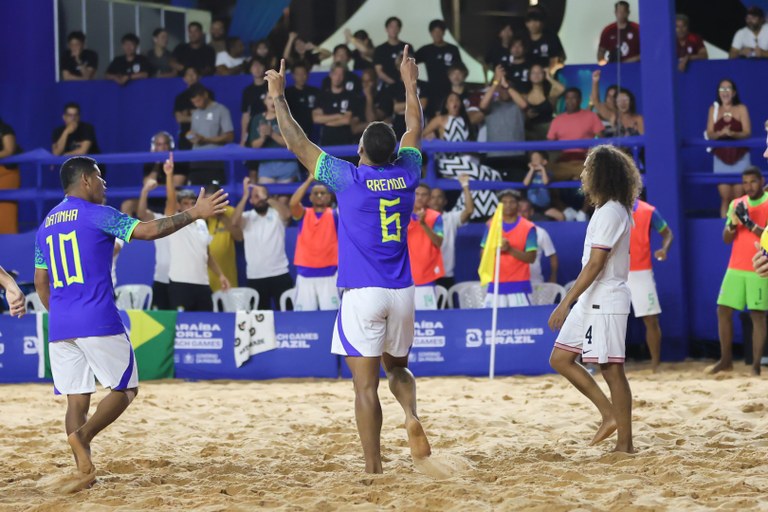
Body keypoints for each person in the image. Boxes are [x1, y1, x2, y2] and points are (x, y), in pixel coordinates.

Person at [266, 47, 436, 473]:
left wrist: (279, 97)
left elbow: (297, 142)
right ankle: (412, 416)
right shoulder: (409, 173)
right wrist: (410, 83)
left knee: (364, 388)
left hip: (363, 292)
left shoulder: (348, 177)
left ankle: (374, 468)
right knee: (398, 370)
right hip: (402, 290)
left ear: (361, 149)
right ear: (393, 152)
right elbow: (414, 126)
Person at [33, 155, 228, 490]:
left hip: (61, 324)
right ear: (86, 181)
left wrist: (60, 314)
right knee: (126, 389)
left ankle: (83, 468)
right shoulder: (98, 214)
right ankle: (84, 437)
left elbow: (40, 281)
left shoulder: (45, 224)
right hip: (97, 317)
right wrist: (194, 213)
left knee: (77, 399)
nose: (104, 184)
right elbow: (149, 230)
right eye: (100, 177)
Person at [547, 144, 642, 454]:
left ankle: (625, 445)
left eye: (588, 167)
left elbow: (596, 264)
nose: (583, 173)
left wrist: (566, 301)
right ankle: (608, 413)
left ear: (602, 173)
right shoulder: (607, 209)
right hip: (592, 297)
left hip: (606, 297)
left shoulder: (613, 210)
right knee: (560, 358)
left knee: (612, 370)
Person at [714, 167, 768, 376]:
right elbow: (726, 239)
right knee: (723, 310)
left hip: (759, 266)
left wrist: (749, 222)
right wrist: (734, 225)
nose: (749, 186)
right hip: (735, 267)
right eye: (745, 182)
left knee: (757, 316)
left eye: (753, 181)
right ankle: (725, 360)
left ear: (761, 180)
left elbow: (766, 235)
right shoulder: (737, 204)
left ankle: (755, 366)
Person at [163, 160, 231, 311]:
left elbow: (207, 254)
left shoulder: (201, 224)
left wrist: (221, 275)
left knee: (206, 328)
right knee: (180, 330)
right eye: (185, 203)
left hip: (202, 284)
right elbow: (170, 202)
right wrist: (169, 175)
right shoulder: (175, 221)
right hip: (180, 284)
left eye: (192, 203)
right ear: (179, 206)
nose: (189, 206)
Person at [423, 92, 501, 219]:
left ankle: (473, 211)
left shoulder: (467, 118)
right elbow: (421, 136)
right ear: (447, 105)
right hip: (447, 162)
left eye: (457, 100)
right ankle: (474, 211)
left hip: (466, 160)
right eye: (451, 100)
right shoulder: (440, 119)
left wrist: (495, 86)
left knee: (492, 175)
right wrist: (430, 137)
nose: (455, 102)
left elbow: (483, 110)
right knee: (483, 176)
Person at [231, 179, 293, 310]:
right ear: (251, 201)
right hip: (255, 277)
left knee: (288, 315)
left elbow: (287, 215)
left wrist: (266, 197)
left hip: (280, 274)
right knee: (258, 321)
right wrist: (246, 195)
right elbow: (234, 222)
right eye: (255, 196)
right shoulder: (247, 217)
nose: (258, 198)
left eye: (261, 195)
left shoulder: (277, 214)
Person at [628, 199, 673, 372]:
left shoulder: (649, 211)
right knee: (608, 319)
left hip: (641, 270)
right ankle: (603, 364)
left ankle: (655, 365)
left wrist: (664, 249)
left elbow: (668, 233)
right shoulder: (609, 208)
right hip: (615, 270)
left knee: (651, 319)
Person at [289, 176, 340, 311]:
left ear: (329, 197)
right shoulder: (304, 213)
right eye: (315, 193)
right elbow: (293, 204)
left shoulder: (335, 214)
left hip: (329, 275)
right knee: (303, 318)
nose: (319, 195)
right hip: (305, 276)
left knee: (332, 318)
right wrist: (308, 181)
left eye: (322, 193)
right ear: (310, 197)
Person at [480, 190, 537, 308]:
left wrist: (509, 249)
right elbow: (483, 254)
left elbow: (531, 258)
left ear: (518, 205)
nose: (508, 205)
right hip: (495, 284)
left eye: (512, 202)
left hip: (519, 286)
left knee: (522, 324)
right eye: (504, 202)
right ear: (499, 205)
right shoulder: (491, 226)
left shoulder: (529, 227)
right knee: (490, 324)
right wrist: (497, 248)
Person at [706, 79, 752, 218]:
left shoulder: (741, 108)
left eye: (728, 89)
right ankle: (725, 230)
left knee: (739, 196)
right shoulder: (713, 109)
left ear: (734, 92)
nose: (725, 92)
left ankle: (741, 228)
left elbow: (747, 132)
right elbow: (709, 133)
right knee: (725, 197)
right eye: (722, 89)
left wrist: (733, 134)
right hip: (721, 157)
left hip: (740, 157)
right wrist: (720, 133)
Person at [547, 88, 605, 181]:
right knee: (546, 175)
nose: (570, 101)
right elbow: (549, 144)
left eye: (573, 98)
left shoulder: (591, 116)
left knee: (597, 175)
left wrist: (593, 150)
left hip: (585, 160)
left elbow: (602, 139)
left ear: (580, 100)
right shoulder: (557, 120)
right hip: (563, 162)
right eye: (567, 98)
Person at [428, 174, 474, 290]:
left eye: (439, 197)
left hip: (445, 273)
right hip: (425, 273)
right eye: (432, 197)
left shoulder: (451, 218)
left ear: (445, 201)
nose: (435, 200)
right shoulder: (420, 219)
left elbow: (469, 211)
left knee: (446, 307)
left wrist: (465, 185)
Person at [188, 84, 235, 184]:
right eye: (194, 102)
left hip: (214, 160)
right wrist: (190, 136)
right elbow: (192, 133)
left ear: (205, 95)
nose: (196, 104)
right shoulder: (195, 113)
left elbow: (229, 136)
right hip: (196, 160)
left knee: (215, 194)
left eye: (198, 101)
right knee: (196, 194)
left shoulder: (221, 110)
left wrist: (205, 139)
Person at [408, 183, 445, 310]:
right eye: (417, 194)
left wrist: (423, 224)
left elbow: (439, 242)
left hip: (426, 276)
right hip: (403, 278)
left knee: (427, 321)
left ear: (429, 198)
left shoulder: (435, 217)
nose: (420, 197)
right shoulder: (400, 215)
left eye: (424, 195)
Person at [247, 95, 300, 183]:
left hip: (287, 164)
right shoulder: (257, 119)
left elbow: (292, 144)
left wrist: (272, 134)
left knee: (284, 196)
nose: (273, 101)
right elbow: (254, 145)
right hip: (266, 165)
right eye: (270, 98)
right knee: (265, 194)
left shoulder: (288, 118)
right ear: (264, 101)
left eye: (276, 99)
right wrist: (263, 138)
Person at [506, 63, 565, 141]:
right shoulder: (524, 96)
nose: (536, 75)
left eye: (539, 72)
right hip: (531, 133)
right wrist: (526, 116)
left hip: (548, 132)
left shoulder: (549, 94)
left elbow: (562, 89)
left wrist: (549, 77)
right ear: (529, 76)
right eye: (533, 73)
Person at [313, 64, 358, 146]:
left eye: (341, 75)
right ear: (331, 75)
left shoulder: (351, 96)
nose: (338, 77)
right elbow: (316, 118)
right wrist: (338, 116)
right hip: (326, 142)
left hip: (345, 142)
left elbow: (347, 120)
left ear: (344, 77)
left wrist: (327, 122)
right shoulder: (322, 96)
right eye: (336, 74)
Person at [416, 19, 462, 100]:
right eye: (434, 32)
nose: (437, 34)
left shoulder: (452, 49)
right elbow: (410, 63)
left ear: (444, 32)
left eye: (439, 31)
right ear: (431, 33)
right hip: (432, 90)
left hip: (450, 89)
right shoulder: (426, 50)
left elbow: (460, 68)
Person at [519, 198, 559, 284]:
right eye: (519, 211)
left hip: (535, 282)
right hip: (514, 282)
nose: (521, 214)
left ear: (531, 212)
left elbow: (552, 256)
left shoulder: (540, 232)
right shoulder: (508, 232)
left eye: (525, 211)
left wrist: (553, 276)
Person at [522, 151, 565, 221]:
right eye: (532, 159)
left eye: (537, 158)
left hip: (545, 206)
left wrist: (542, 169)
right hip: (531, 206)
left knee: (561, 216)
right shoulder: (530, 174)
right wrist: (531, 170)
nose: (534, 160)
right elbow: (525, 183)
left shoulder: (548, 174)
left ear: (544, 162)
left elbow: (545, 182)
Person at [285, 61, 321, 137]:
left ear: (308, 74)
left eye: (303, 73)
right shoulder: (287, 93)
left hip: (313, 130)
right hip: (294, 131)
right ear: (293, 75)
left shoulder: (315, 92)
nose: (301, 77)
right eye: (298, 74)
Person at [374, 17, 410, 87]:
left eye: (396, 26)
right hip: (387, 86)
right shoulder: (380, 49)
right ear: (386, 29)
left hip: (405, 85)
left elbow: (410, 67)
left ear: (400, 29)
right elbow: (379, 71)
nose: (394, 29)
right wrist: (393, 83)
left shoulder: (407, 47)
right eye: (391, 26)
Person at [240, 58, 269, 146]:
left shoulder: (271, 87)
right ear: (250, 69)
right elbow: (245, 115)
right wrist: (243, 138)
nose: (257, 68)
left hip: (271, 124)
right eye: (254, 66)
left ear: (264, 68)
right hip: (254, 127)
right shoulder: (248, 91)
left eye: (260, 65)